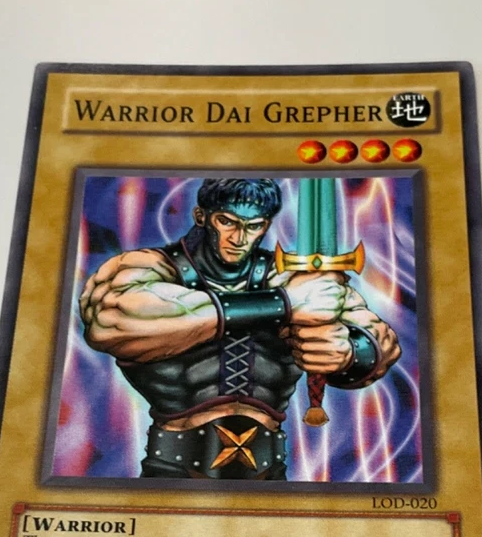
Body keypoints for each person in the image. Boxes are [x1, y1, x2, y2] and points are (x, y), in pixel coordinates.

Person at [79, 178, 400, 479]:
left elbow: (380, 342)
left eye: (254, 226)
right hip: (172, 469)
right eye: (227, 222)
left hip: (268, 472)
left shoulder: (291, 277)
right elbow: (113, 317)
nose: (239, 238)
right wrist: (284, 304)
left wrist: (349, 352)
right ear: (202, 216)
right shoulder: (150, 268)